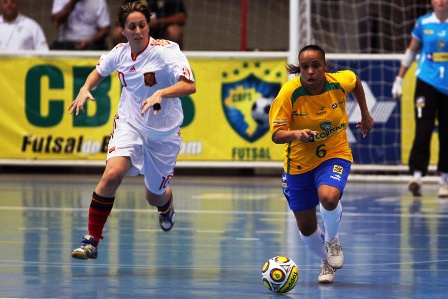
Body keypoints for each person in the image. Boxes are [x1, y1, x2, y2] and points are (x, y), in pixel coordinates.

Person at [69, 1, 196, 259]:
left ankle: (166, 205)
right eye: (132, 27)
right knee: (112, 174)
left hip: (164, 133)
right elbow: (98, 71)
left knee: (154, 196)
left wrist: (161, 92)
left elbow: (189, 86)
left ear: (148, 25)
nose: (138, 31)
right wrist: (85, 89)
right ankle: (92, 239)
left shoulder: (167, 52)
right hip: (130, 123)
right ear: (122, 30)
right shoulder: (119, 52)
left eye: (142, 25)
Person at [269, 44, 374, 283]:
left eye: (316, 65)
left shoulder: (338, 82)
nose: (310, 71)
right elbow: (276, 135)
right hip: (298, 164)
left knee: (329, 197)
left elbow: (355, 80)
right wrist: (296, 134)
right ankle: (325, 261)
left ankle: (332, 240)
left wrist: (365, 114)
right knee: (306, 227)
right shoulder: (289, 93)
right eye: (305, 67)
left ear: (325, 67)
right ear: (300, 70)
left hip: (334, 153)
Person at [391, 0, 448, 198]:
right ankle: (416, 176)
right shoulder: (423, 23)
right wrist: (399, 79)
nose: (441, 1)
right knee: (423, 128)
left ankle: (444, 180)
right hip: (426, 83)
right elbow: (411, 51)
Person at [111, 0, 187, 49]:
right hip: (138, 34)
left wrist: (158, 21)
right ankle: (124, 61)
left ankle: (173, 61)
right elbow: (118, 20)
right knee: (117, 32)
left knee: (174, 31)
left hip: (162, 33)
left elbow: (181, 18)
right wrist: (138, 23)